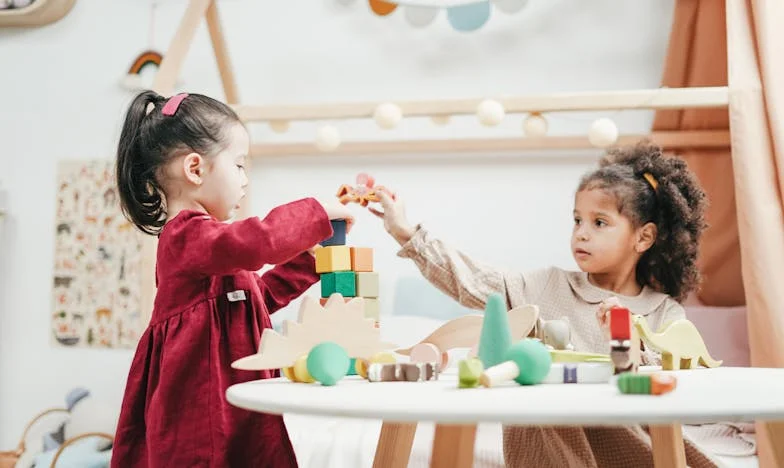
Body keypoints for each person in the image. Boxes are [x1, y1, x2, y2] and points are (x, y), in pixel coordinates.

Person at [370, 141, 722, 467]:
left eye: (599, 223)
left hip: (629, 445)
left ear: (643, 237)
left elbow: (683, 388)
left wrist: (628, 346)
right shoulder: (545, 286)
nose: (582, 233)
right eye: (577, 220)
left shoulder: (663, 312)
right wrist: (404, 231)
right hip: (552, 442)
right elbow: (471, 279)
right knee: (540, 403)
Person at [111, 90, 353, 467]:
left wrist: (311, 263)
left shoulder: (214, 248)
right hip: (200, 406)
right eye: (239, 165)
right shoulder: (186, 237)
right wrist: (314, 214)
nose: (244, 180)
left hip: (236, 400)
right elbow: (261, 242)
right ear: (195, 169)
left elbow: (258, 296)